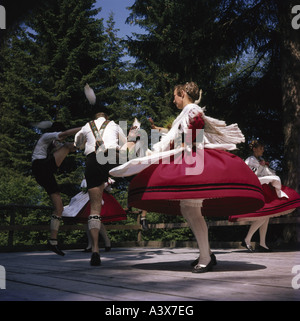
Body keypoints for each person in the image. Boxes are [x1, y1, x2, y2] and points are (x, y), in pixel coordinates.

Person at [110, 81, 265, 273]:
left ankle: (206, 257)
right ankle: (206, 252)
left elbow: (197, 124)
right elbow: (180, 132)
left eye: (175, 95)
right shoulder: (187, 111)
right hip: (191, 156)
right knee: (187, 209)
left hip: (194, 160)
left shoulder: (191, 108)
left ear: (182, 93)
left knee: (192, 210)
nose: (173, 100)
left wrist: (186, 144)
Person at [74, 112, 127, 266]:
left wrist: (84, 143)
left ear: (95, 117)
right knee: (135, 174)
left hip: (92, 161)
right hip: (111, 156)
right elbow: (125, 144)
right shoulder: (114, 125)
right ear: (106, 117)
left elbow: (77, 144)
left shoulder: (86, 126)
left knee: (95, 210)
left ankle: (95, 250)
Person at [229, 140, 300, 252]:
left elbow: (268, 173)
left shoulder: (261, 160)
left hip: (265, 189)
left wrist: (265, 167)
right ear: (254, 149)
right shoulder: (250, 160)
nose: (262, 150)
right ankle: (247, 239)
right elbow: (250, 175)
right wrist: (262, 167)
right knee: (263, 215)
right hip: (257, 189)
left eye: (263, 148)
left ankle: (262, 243)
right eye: (260, 148)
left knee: (266, 215)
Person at [32, 122, 81, 256]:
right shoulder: (46, 136)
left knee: (59, 207)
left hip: (44, 173)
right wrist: (86, 128)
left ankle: (52, 241)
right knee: (66, 146)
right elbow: (65, 136)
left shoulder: (55, 144)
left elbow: (73, 147)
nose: (62, 139)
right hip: (40, 166)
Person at [62, 178, 127, 251]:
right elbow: (84, 186)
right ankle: (91, 244)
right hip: (86, 197)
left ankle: (106, 241)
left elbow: (107, 184)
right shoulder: (87, 175)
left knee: (96, 219)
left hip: (98, 196)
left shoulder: (101, 173)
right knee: (86, 221)